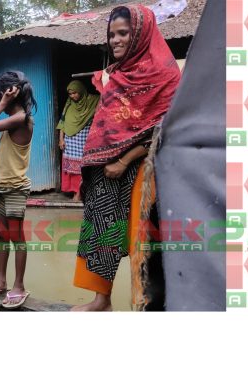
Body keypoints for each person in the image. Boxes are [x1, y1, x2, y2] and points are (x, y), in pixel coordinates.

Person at [72, 5, 181, 311]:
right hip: (106, 172)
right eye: (111, 35)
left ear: (140, 34)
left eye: (123, 33)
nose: (116, 40)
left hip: (145, 172)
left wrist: (124, 160)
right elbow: (108, 124)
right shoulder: (117, 75)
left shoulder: (165, 73)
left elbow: (165, 128)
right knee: (100, 229)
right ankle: (101, 300)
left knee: (143, 242)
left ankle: (147, 306)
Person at [0, 71, 37, 309]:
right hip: (1, 187)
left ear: (10, 95)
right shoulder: (13, 118)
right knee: (2, 235)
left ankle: (19, 285)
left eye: (0, 96)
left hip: (14, 189)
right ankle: (1, 280)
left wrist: (2, 103)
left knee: (16, 237)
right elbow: (8, 151)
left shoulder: (21, 118)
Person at [56, 80, 99, 202]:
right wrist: (61, 139)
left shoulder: (92, 101)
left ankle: (80, 192)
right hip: (70, 142)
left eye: (75, 93)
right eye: (70, 94)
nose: (73, 96)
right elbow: (62, 123)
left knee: (83, 167)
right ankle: (75, 191)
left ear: (81, 91)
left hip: (84, 141)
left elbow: (104, 98)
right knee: (71, 168)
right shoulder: (69, 104)